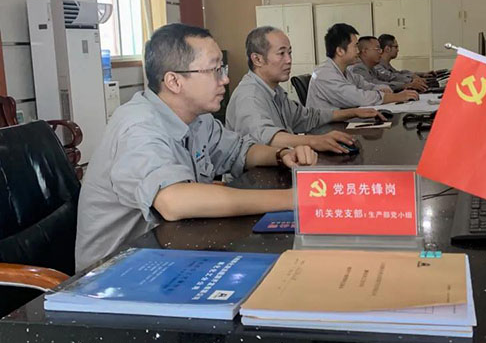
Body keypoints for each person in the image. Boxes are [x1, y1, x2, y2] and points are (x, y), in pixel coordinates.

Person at [75, 24, 317, 272]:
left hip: (169, 251)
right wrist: (293, 198)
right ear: (174, 81)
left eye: (222, 68)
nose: (225, 79)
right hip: (118, 272)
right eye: (214, 70)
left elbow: (240, 151)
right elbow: (174, 201)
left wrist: (281, 155)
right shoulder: (138, 126)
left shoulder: (198, 119)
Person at [226, 26, 383, 154]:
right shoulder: (249, 96)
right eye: (281, 53)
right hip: (253, 179)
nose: (289, 60)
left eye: (290, 53)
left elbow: (307, 117)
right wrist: (315, 141)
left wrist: (352, 113)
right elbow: (265, 138)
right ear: (257, 59)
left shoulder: (275, 91)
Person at [306, 23, 419, 109]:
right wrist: (395, 97)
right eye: (355, 46)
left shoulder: (346, 72)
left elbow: (365, 85)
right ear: (340, 51)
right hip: (325, 130)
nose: (358, 51)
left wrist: (382, 89)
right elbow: (358, 97)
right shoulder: (325, 74)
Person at [348, 36, 427, 92]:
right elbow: (375, 84)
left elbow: (389, 77)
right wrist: (407, 84)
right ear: (365, 51)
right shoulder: (358, 68)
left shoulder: (372, 68)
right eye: (377, 49)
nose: (380, 52)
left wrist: (410, 82)